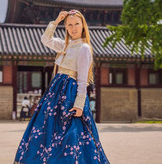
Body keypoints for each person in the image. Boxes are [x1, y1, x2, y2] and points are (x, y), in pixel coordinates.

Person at [14, 10, 110, 164]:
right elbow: (45, 39)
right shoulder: (64, 45)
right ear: (65, 27)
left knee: (72, 132)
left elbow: (82, 80)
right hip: (55, 92)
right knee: (49, 129)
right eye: (69, 25)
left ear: (83, 25)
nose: (73, 28)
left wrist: (79, 105)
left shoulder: (84, 48)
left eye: (77, 24)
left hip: (70, 93)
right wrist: (56, 20)